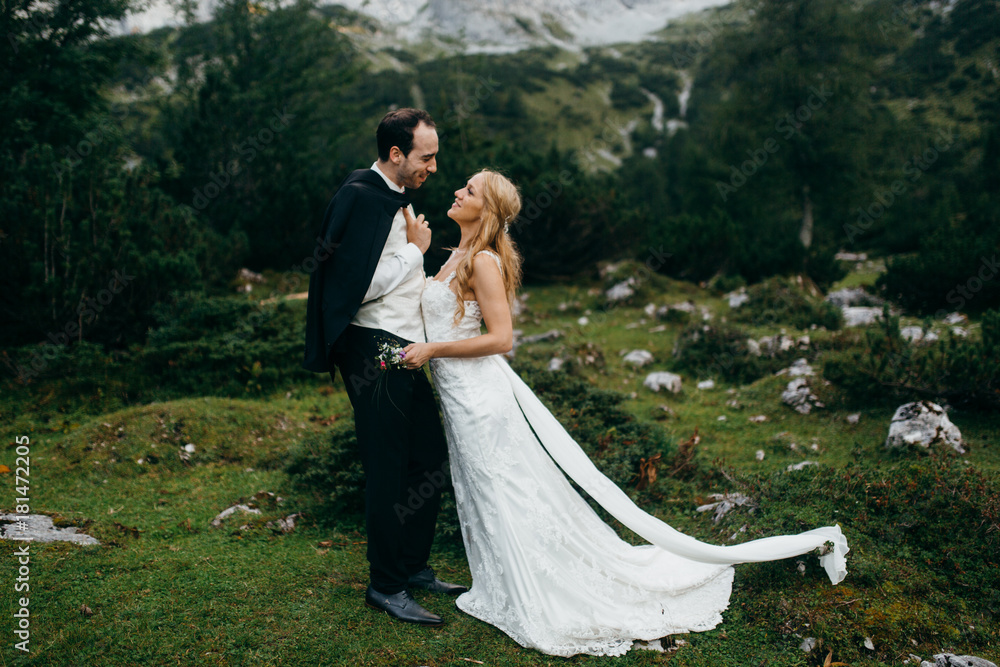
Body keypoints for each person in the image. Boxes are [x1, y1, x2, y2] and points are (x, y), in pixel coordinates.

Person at [400, 169, 850, 657]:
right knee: (483, 489)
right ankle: (504, 580)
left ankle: (536, 589)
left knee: (501, 487)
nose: (456, 192)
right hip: (460, 396)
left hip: (481, 397)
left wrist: (433, 349)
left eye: (468, 190)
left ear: (486, 209)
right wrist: (416, 251)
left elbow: (502, 339)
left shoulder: (484, 261)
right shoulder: (455, 256)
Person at [302, 108, 467, 628]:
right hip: (373, 349)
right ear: (396, 154)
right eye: (426, 157)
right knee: (389, 468)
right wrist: (417, 252)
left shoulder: (394, 198)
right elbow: (354, 288)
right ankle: (385, 585)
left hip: (403, 348)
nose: (434, 168)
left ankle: (413, 566)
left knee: (429, 457)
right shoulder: (359, 195)